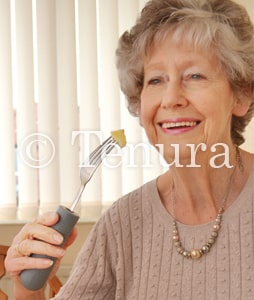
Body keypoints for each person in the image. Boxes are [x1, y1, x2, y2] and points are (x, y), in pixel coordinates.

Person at [5, 0, 254, 298]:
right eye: (156, 80)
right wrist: (26, 289)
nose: (171, 98)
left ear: (241, 94)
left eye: (195, 76)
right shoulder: (122, 223)